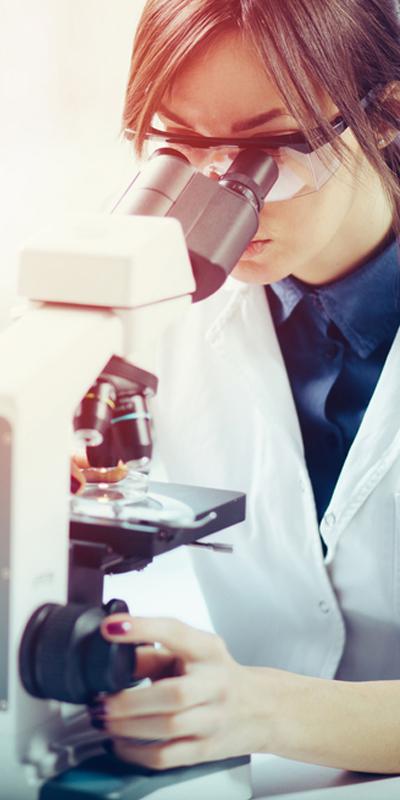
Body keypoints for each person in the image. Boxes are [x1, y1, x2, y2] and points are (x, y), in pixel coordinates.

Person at [89, 0, 400, 775]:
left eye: (271, 149)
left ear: (389, 114)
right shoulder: (164, 305)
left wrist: (264, 708)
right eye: (183, 146)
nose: (223, 192)